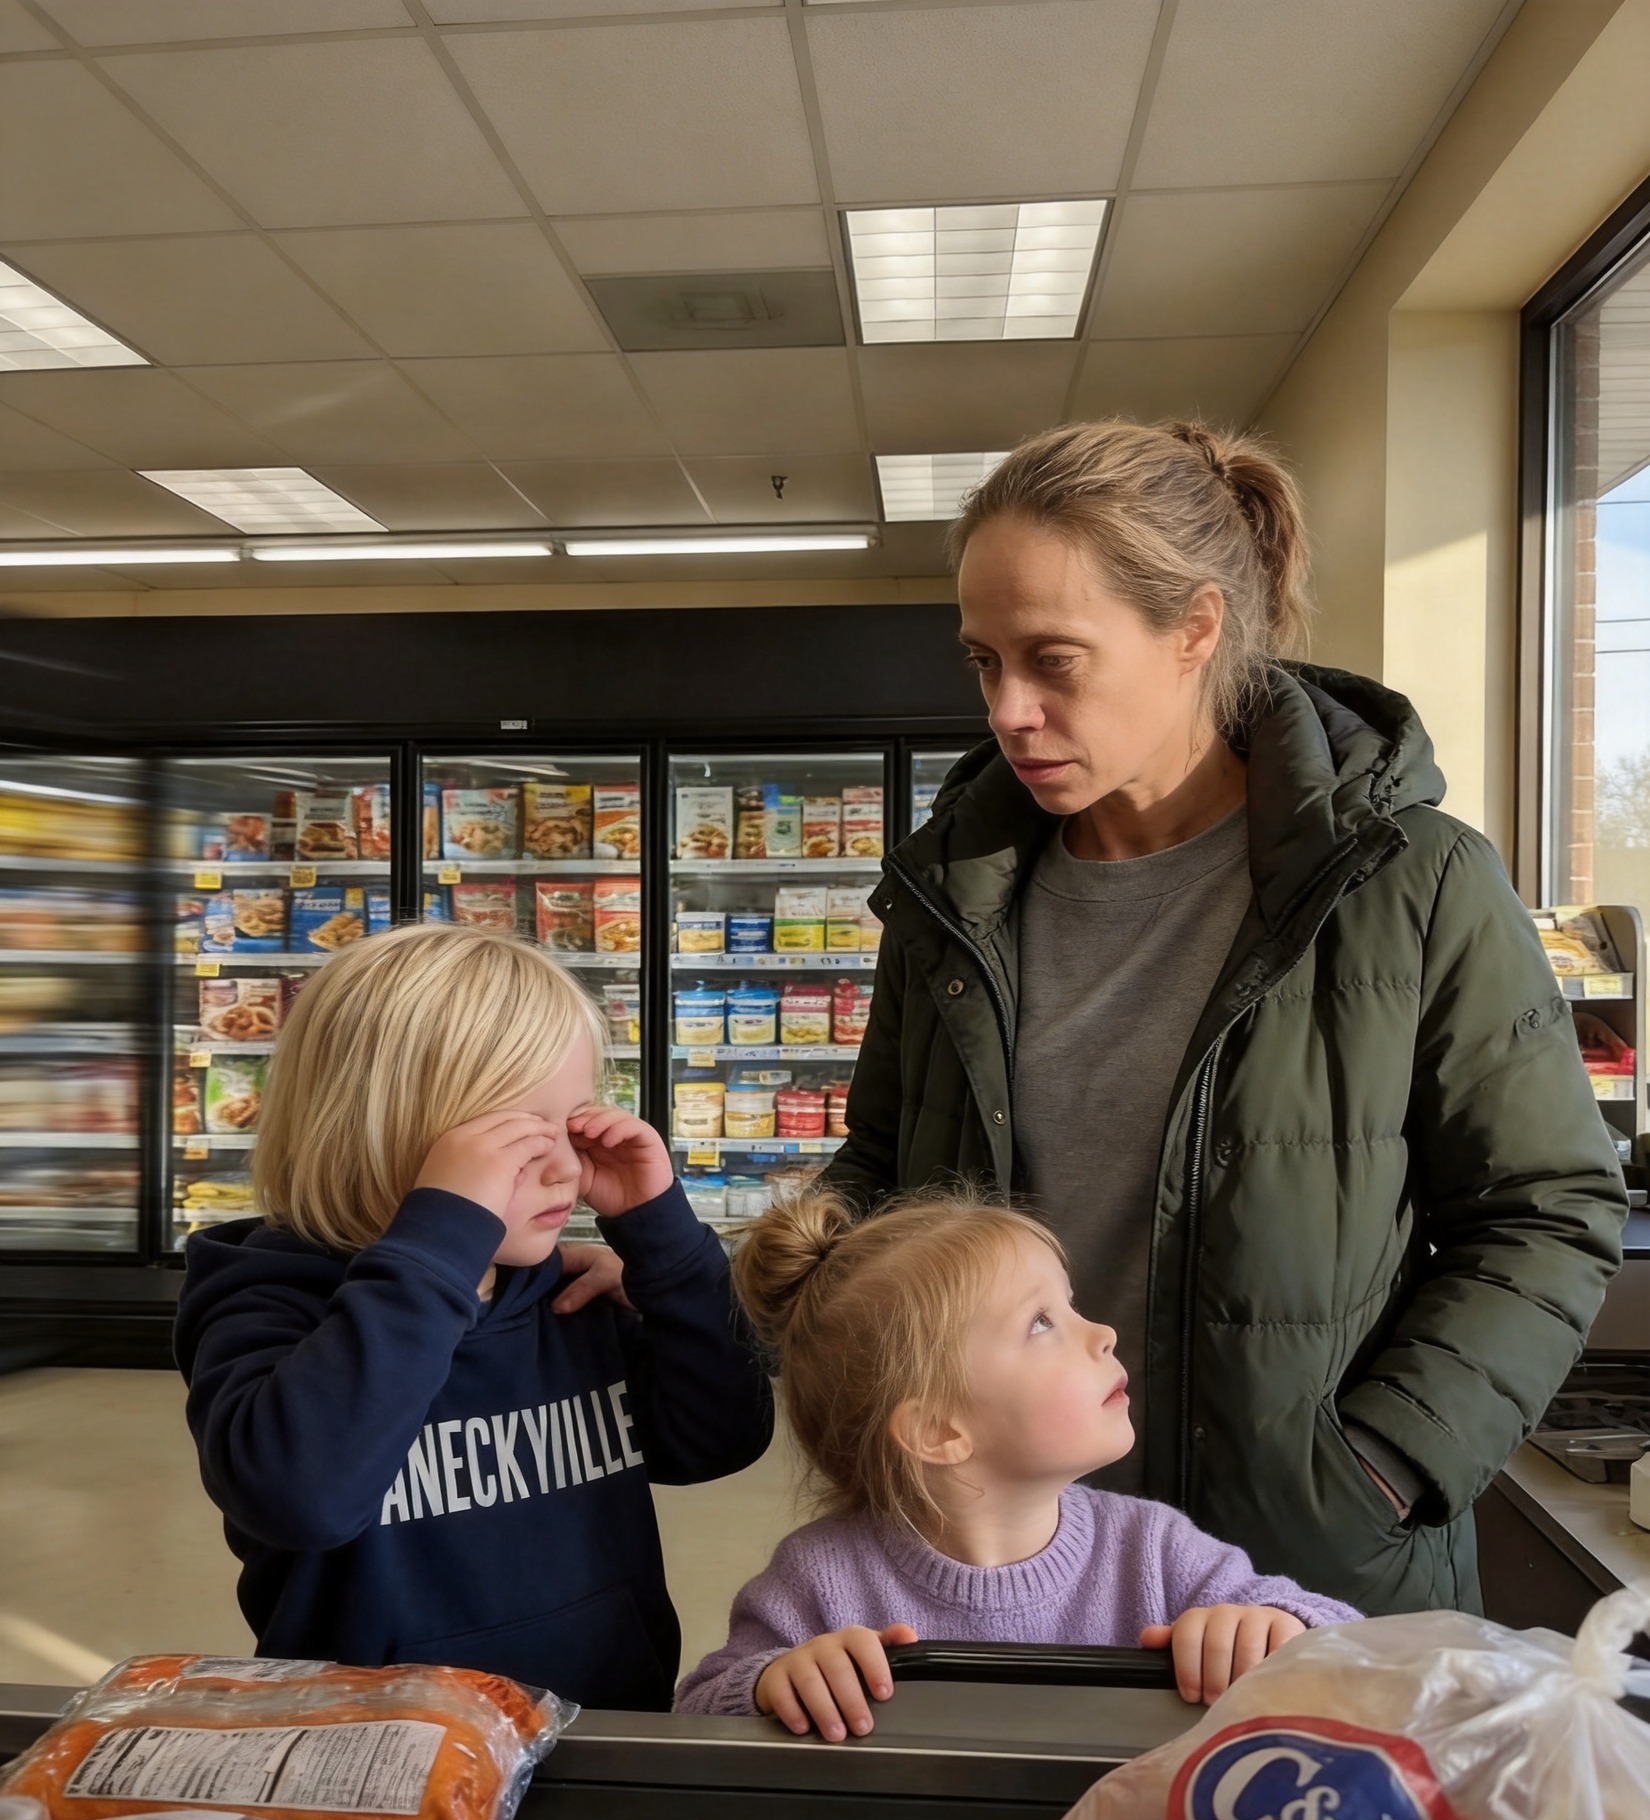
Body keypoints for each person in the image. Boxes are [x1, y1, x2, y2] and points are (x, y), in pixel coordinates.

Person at [823, 419, 1626, 1618]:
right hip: (992, 1564)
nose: (1009, 709)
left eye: (1054, 658)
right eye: (984, 661)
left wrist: (1381, 1462)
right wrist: (687, 1270)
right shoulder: (955, 892)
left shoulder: (1411, 881)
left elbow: (1547, 1208)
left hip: (1294, 1578)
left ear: (1195, 628)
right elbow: (887, 1178)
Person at [175, 923, 773, 1710]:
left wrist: (666, 1255)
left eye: (575, 1122)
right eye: (518, 1138)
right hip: (379, 1752)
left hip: (604, 1724)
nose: (566, 1166)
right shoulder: (268, 1299)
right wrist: (442, 1242)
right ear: (380, 1126)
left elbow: (718, 1440)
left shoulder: (561, 1295)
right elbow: (301, 1495)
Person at [676, 1190, 1359, 1736]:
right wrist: (773, 1685)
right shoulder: (821, 1580)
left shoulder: (1153, 1550)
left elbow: (1352, 1652)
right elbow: (698, 1711)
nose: (1103, 1333)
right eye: (1042, 1322)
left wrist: (1276, 1627)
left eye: (1071, 1305)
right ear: (939, 1430)